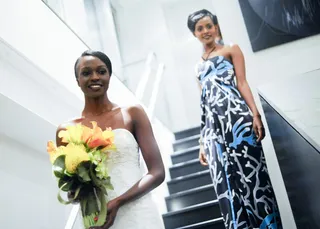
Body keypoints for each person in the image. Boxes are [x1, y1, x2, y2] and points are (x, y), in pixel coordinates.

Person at [187, 9, 282, 229]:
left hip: (237, 121)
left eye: (209, 25)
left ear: (216, 27)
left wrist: (255, 114)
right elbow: (203, 103)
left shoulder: (231, 49)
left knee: (254, 179)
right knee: (226, 187)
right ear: (194, 34)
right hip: (212, 132)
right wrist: (202, 141)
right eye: (199, 28)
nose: (205, 31)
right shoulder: (197, 67)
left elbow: (242, 83)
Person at [56, 50, 166, 229]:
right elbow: (72, 191)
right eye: (86, 73)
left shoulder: (132, 113)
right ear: (77, 81)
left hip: (140, 213)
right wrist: (77, 188)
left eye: (101, 71)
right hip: (99, 220)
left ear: (109, 75)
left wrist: (118, 202)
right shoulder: (67, 130)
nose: (94, 77)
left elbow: (157, 172)